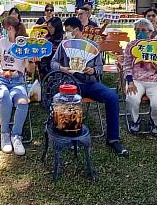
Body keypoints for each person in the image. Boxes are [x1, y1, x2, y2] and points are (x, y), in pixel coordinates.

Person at [50, 17, 129, 157]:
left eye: (69, 31)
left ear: (77, 30)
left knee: (112, 97)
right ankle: (70, 135)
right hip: (70, 83)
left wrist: (93, 70)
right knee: (68, 101)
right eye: (66, 31)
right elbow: (53, 63)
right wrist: (63, 68)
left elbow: (99, 66)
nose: (67, 34)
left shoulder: (92, 46)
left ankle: (113, 138)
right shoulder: (64, 44)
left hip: (90, 82)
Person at [0, 16, 33, 155]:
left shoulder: (24, 45)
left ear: (9, 28)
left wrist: (32, 61)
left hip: (18, 80)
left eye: (5, 28)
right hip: (1, 79)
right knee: (5, 98)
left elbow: (30, 71)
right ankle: (5, 133)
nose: (5, 31)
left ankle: (16, 135)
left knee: (23, 102)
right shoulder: (1, 42)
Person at [123, 18, 157, 135]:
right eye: (137, 30)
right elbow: (126, 65)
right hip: (136, 79)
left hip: (155, 81)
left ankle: (154, 121)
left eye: (143, 30)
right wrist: (130, 81)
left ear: (151, 32)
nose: (140, 32)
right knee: (132, 98)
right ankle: (135, 120)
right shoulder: (131, 45)